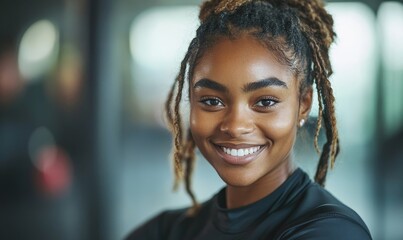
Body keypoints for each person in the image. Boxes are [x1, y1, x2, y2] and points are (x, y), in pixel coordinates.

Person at [127, 0, 372, 239]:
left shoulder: (331, 231)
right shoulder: (166, 230)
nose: (235, 126)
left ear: (303, 105)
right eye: (212, 101)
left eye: (265, 102)